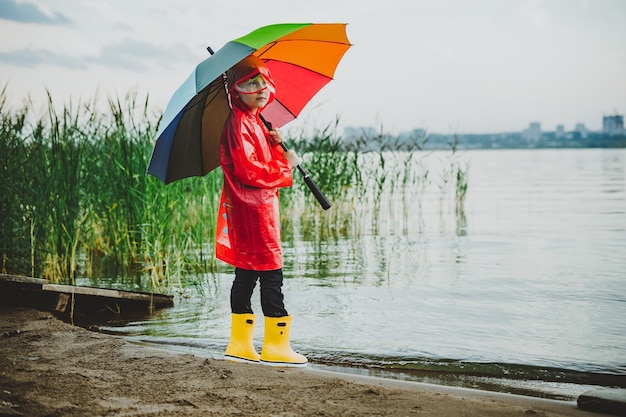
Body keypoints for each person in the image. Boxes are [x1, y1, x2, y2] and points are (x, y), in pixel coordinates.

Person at [215, 55, 307, 367]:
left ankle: (240, 344)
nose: (261, 88)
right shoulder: (239, 123)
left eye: (263, 81)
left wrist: (274, 142)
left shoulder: (254, 121)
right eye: (251, 82)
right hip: (254, 210)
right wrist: (286, 164)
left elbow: (257, 158)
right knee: (270, 274)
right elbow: (249, 170)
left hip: (254, 208)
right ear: (236, 90)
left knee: (248, 272)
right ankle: (275, 346)